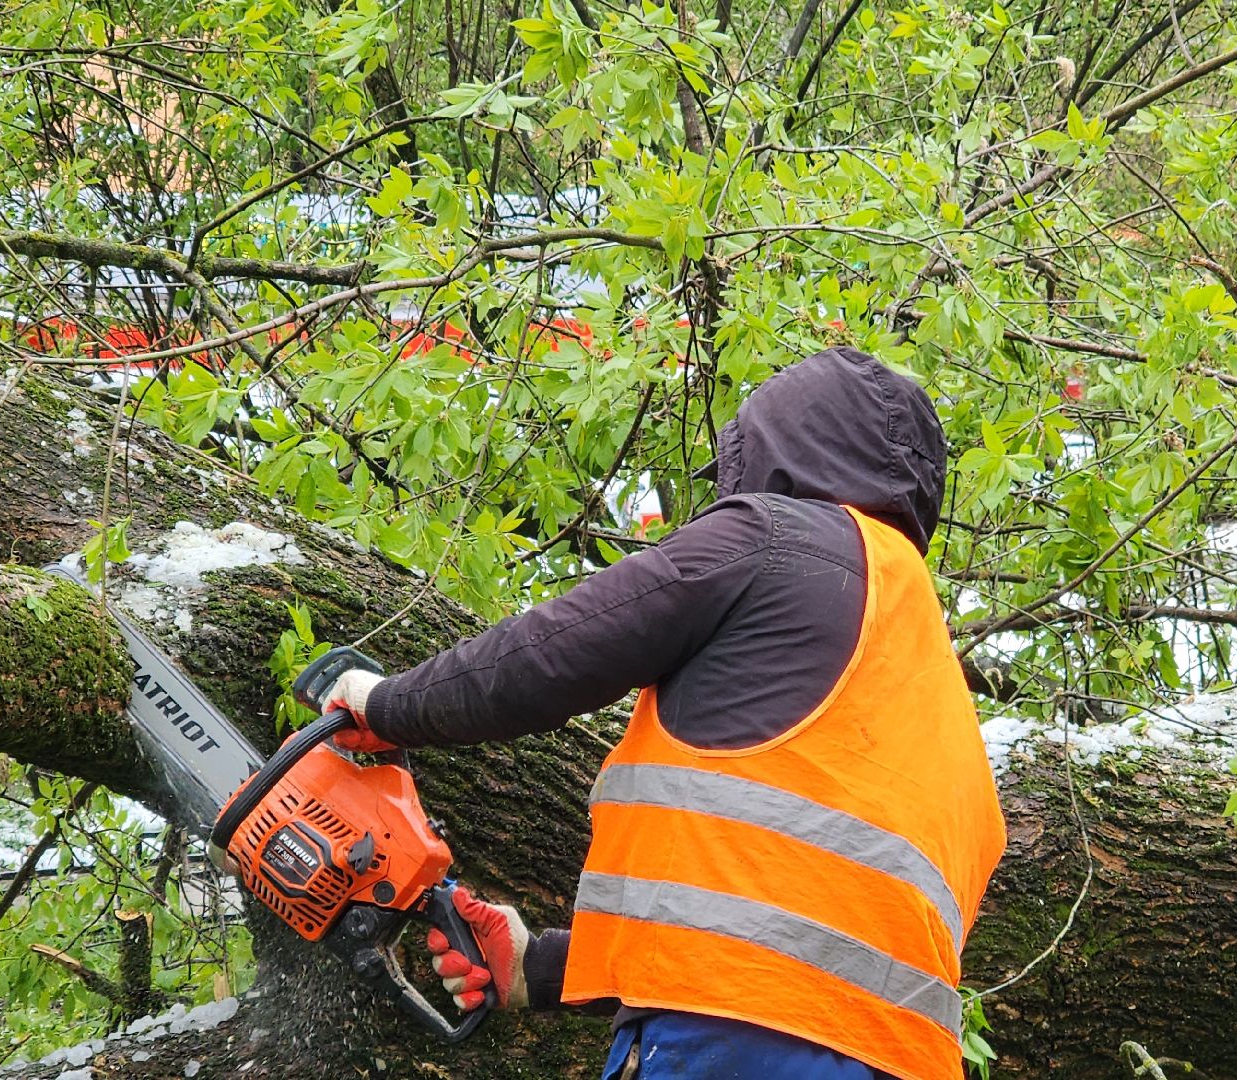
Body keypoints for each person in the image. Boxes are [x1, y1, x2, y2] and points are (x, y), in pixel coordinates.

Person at [321, 347, 1007, 1080]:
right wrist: (540, 966)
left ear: (774, 456)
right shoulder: (935, 689)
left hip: (736, 1048)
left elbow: (556, 650)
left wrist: (385, 704)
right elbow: (789, 934)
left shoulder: (782, 538)